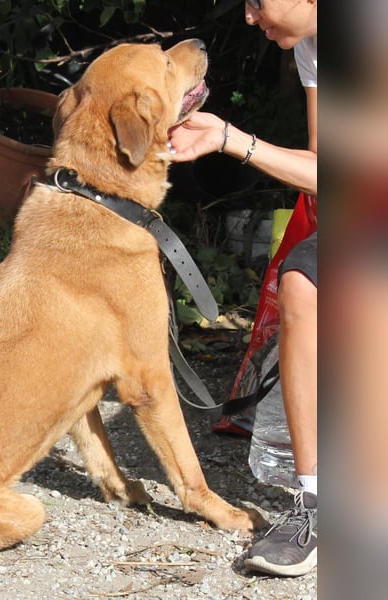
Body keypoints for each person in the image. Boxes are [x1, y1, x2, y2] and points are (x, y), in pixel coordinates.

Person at [168, 0, 317, 577]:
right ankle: (313, 505)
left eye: (259, 1)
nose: (250, 17)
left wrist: (234, 140)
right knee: (302, 280)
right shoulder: (310, 46)